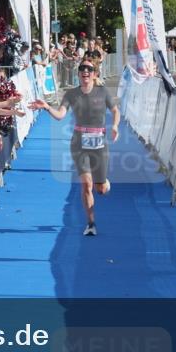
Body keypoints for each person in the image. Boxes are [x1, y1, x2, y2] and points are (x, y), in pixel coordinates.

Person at [29, 59, 120, 237]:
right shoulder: (71, 94)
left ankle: (104, 183)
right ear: (78, 74)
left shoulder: (103, 92)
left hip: (99, 142)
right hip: (79, 143)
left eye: (89, 69)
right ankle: (91, 223)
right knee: (86, 184)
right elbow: (60, 115)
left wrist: (115, 126)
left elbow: (115, 111)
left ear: (95, 74)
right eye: (82, 69)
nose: (85, 71)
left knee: (100, 189)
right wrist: (47, 107)